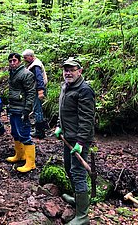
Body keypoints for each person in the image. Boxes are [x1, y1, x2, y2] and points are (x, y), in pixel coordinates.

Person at [54, 57, 95, 225]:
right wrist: (59, 125)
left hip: (79, 140)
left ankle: (83, 216)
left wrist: (81, 142)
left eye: (72, 69)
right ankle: (78, 201)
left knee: (78, 173)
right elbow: (63, 110)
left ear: (80, 71)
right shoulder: (66, 86)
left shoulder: (84, 90)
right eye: (66, 70)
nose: (68, 73)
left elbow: (87, 119)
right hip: (68, 137)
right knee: (68, 168)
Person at [6, 52, 36, 173]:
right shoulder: (12, 73)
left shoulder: (26, 74)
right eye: (10, 61)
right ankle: (19, 155)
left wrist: (27, 109)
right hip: (13, 107)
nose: (12, 63)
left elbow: (30, 92)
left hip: (21, 108)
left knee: (24, 134)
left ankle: (30, 163)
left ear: (19, 61)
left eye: (15, 60)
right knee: (15, 132)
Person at [22, 49, 48, 139]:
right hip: (36, 89)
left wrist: (40, 91)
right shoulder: (32, 64)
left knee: (38, 110)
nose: (24, 59)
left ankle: (40, 132)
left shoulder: (36, 66)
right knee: (37, 109)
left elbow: (39, 79)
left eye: (25, 57)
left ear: (31, 56)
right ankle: (40, 130)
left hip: (38, 90)